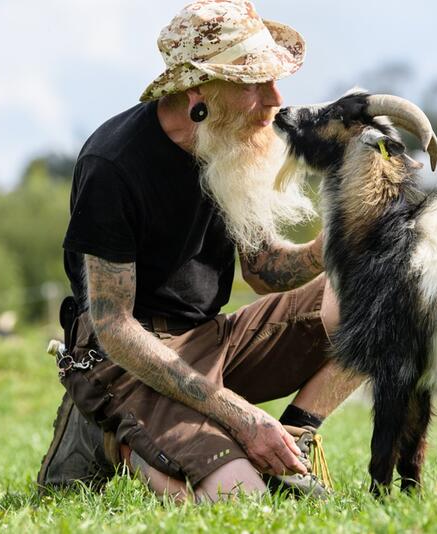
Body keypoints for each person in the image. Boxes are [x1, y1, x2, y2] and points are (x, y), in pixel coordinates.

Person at [36, 0, 364, 502]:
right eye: (254, 83)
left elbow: (263, 271)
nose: (276, 98)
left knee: (373, 292)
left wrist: (328, 249)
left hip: (212, 340)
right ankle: (113, 439)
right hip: (128, 358)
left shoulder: (232, 140)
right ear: (199, 90)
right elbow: (115, 327)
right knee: (241, 499)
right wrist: (242, 415)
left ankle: (293, 440)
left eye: (274, 78)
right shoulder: (113, 164)